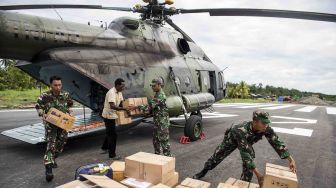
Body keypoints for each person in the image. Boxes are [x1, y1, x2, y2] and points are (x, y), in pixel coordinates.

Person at [193, 110, 297, 187]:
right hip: (232, 139)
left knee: (250, 158)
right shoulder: (240, 130)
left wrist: (290, 159)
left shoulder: (265, 128)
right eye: (263, 123)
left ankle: (244, 182)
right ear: (255, 121)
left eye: (267, 123)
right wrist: (259, 176)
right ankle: (203, 171)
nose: (266, 125)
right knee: (217, 156)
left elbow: (276, 141)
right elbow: (245, 154)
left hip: (246, 143)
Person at [35, 75, 73, 182]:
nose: (58, 87)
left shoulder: (65, 94)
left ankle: (53, 159)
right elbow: (38, 107)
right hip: (50, 125)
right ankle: (48, 169)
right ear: (51, 85)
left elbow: (70, 105)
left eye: (59, 85)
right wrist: (43, 114)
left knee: (61, 143)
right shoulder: (44, 95)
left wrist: (70, 113)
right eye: (55, 85)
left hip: (63, 124)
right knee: (51, 145)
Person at [101, 78, 135, 159]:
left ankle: (105, 147)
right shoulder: (111, 92)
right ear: (117, 85)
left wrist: (128, 107)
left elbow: (121, 103)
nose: (123, 87)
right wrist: (124, 109)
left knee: (109, 132)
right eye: (122, 86)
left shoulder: (119, 92)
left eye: (124, 86)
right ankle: (112, 155)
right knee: (113, 135)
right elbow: (112, 106)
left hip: (113, 115)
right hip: (108, 116)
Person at [139, 79, 171, 156]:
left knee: (164, 142)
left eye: (154, 86)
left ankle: (168, 159)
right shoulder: (157, 94)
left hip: (162, 124)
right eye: (152, 86)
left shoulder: (161, 96)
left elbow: (149, 107)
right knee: (156, 141)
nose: (152, 87)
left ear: (159, 85)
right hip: (157, 122)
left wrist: (136, 107)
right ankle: (157, 158)